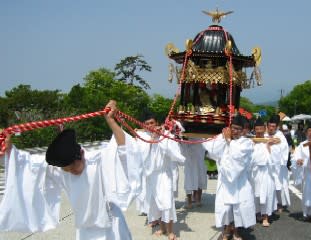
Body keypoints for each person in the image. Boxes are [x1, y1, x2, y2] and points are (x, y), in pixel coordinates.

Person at [0, 100, 142, 240]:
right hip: (85, 231)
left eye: (73, 167)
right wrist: (8, 149)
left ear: (80, 154)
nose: (71, 172)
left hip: (112, 227)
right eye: (66, 170)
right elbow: (28, 164)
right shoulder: (60, 169)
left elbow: (124, 151)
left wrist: (111, 120)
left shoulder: (97, 160)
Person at [203, 115, 255, 240]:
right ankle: (226, 229)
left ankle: (236, 231)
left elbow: (238, 155)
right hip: (225, 181)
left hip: (239, 181)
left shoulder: (246, 143)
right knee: (225, 208)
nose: (234, 131)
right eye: (233, 128)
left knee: (238, 208)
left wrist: (228, 141)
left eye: (238, 129)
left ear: (243, 130)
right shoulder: (226, 138)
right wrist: (221, 137)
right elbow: (212, 149)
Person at [135, 115, 185, 240]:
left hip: (164, 175)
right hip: (152, 176)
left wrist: (162, 139)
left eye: (152, 122)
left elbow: (177, 156)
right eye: (147, 123)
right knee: (156, 204)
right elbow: (141, 157)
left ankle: (170, 232)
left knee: (167, 202)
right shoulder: (142, 138)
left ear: (157, 123)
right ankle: (162, 229)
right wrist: (152, 140)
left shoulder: (168, 137)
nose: (150, 125)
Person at [250, 118, 277, 227]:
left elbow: (275, 158)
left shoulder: (269, 140)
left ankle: (265, 216)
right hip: (254, 172)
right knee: (255, 194)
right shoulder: (251, 141)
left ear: (265, 129)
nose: (259, 131)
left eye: (261, 128)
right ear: (254, 129)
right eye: (257, 129)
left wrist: (269, 147)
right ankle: (257, 214)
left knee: (266, 194)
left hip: (266, 171)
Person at [291, 120, 311, 222]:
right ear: (306, 132)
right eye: (310, 130)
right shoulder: (302, 145)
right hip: (308, 173)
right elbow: (295, 156)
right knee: (308, 193)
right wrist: (298, 160)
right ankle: (308, 213)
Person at [266, 114, 290, 213]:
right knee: (268, 185)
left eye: (273, 127)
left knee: (279, 184)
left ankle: (280, 203)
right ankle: (270, 203)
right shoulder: (264, 135)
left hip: (278, 165)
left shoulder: (280, 136)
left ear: (277, 127)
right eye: (270, 126)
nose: (271, 128)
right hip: (267, 164)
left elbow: (285, 149)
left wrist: (282, 162)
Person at [180, 140, 207, 209]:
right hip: (192, 160)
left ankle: (192, 202)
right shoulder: (202, 140)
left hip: (193, 161)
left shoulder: (203, 140)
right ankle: (196, 201)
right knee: (197, 178)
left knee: (194, 179)